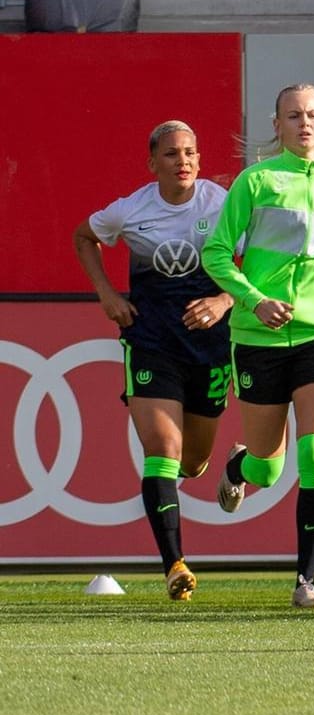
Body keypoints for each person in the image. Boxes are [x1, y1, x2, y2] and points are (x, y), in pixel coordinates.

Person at [202, 85, 314, 610]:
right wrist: (253, 300)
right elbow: (218, 253)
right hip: (258, 334)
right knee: (268, 468)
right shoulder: (257, 180)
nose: (304, 123)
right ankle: (237, 467)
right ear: (277, 124)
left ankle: (306, 581)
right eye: (293, 115)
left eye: (312, 114)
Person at [73, 121, 232, 601]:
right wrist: (106, 293)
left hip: (209, 346)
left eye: (190, 153)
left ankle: (229, 465)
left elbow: (255, 264)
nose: (182, 161)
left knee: (194, 460)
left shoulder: (222, 205)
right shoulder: (131, 210)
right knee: (162, 448)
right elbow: (84, 236)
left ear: (200, 161)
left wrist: (224, 301)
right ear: (152, 163)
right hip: (151, 343)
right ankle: (175, 566)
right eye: (170, 154)